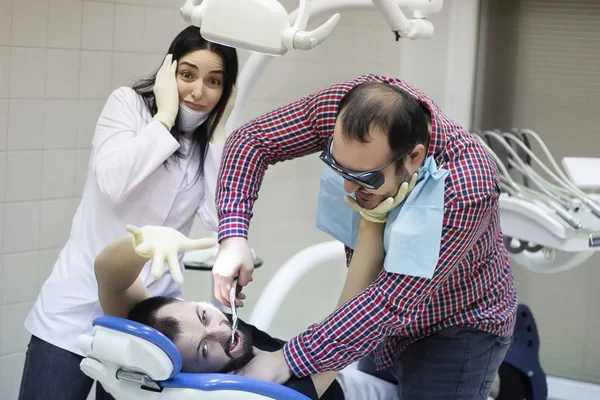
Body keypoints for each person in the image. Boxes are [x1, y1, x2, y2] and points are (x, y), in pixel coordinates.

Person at [210, 75, 518, 399]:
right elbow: (251, 140)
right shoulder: (350, 108)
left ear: (413, 157)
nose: (347, 189)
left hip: (455, 324)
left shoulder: (467, 186)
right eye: (339, 168)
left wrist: (287, 359)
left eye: (363, 178)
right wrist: (232, 236)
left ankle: (504, 380)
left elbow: (390, 302)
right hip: (377, 321)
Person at [19, 26, 238, 400]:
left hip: (152, 324)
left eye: (214, 81)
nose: (199, 91)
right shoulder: (128, 105)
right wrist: (165, 117)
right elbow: (112, 182)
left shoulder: (207, 143)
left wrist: (220, 137)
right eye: (187, 75)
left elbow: (219, 222)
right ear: (169, 73)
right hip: (74, 310)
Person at [93, 215, 392, 400]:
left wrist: (143, 243)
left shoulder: (154, 343)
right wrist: (372, 221)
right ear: (188, 373)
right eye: (205, 350)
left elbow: (111, 279)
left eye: (203, 315)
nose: (220, 331)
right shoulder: (252, 391)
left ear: (186, 301)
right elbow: (352, 317)